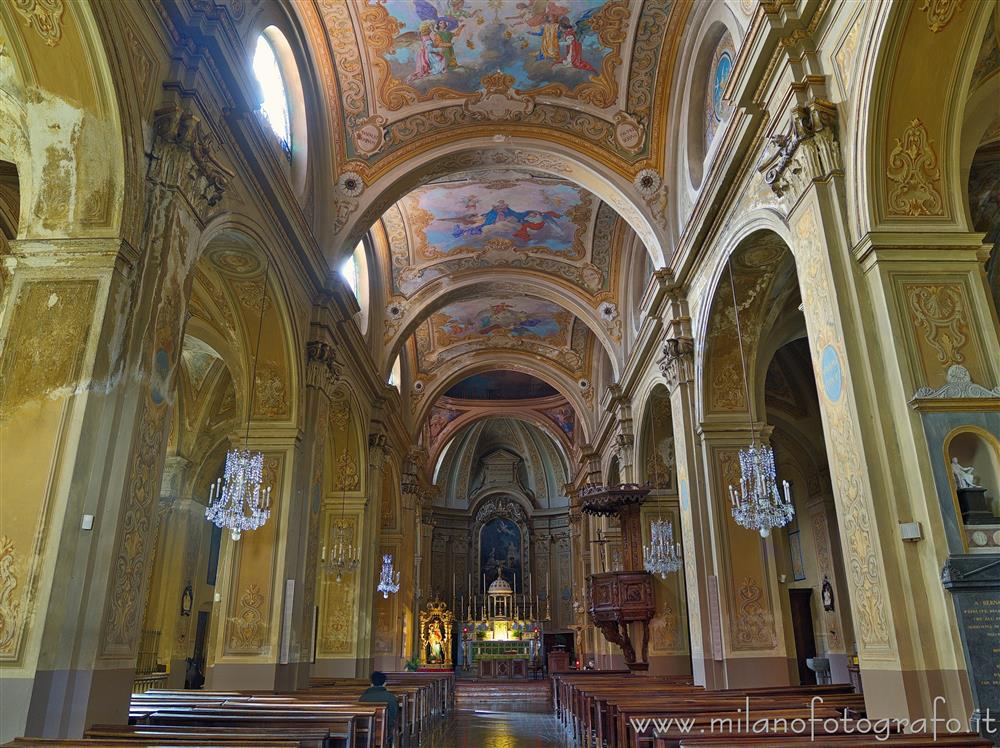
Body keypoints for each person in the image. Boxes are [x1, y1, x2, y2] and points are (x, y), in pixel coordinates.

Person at [358, 671, 399, 745]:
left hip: (363, 732)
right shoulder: (390, 697)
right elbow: (394, 715)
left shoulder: (363, 697)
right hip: (385, 730)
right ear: (385, 683)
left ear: (371, 683)